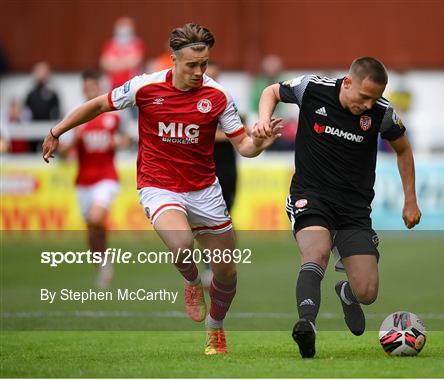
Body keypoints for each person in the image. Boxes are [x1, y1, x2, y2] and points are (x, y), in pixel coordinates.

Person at [42, 23, 281, 355]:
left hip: (204, 190)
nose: (200, 72)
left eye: (204, 64)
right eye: (192, 65)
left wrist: (261, 142)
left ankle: (215, 328)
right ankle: (191, 281)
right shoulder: (145, 87)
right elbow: (98, 105)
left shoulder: (218, 96)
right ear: (173, 60)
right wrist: (57, 131)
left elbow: (243, 145)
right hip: (159, 185)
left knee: (226, 272)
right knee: (182, 243)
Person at [255, 57, 421, 358]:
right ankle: (306, 325)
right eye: (364, 96)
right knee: (315, 252)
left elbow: (403, 150)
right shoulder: (312, 89)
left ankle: (347, 293)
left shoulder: (382, 113)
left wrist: (410, 199)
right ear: (347, 82)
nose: (369, 104)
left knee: (367, 293)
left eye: (375, 98)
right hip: (311, 196)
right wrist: (264, 119)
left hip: (354, 210)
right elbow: (272, 92)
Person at [58, 70, 131, 288]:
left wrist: (119, 142)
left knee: (97, 218)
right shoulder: (75, 115)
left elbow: (127, 137)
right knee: (91, 226)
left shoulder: (113, 113)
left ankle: (104, 261)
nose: (90, 89)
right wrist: (75, 139)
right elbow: (62, 154)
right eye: (87, 86)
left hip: (107, 176)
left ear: (99, 86)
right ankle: (102, 264)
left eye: (93, 86)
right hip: (83, 180)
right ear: (83, 89)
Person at [201, 61, 239, 288]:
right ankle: (209, 268)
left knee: (226, 220)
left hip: (227, 171)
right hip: (204, 172)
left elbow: (239, 134)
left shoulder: (226, 101)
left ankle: (225, 265)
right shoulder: (196, 105)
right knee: (206, 222)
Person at [100, 17, 145, 90]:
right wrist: (125, 61)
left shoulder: (137, 43)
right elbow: (104, 63)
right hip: (111, 84)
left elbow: (135, 61)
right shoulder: (110, 43)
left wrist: (115, 62)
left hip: (130, 84)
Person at [24, 61, 61, 152]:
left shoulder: (52, 93)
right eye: (38, 71)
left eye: (43, 72)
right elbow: (25, 111)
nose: (41, 75)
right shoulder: (31, 94)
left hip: (48, 129)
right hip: (33, 129)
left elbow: (57, 111)